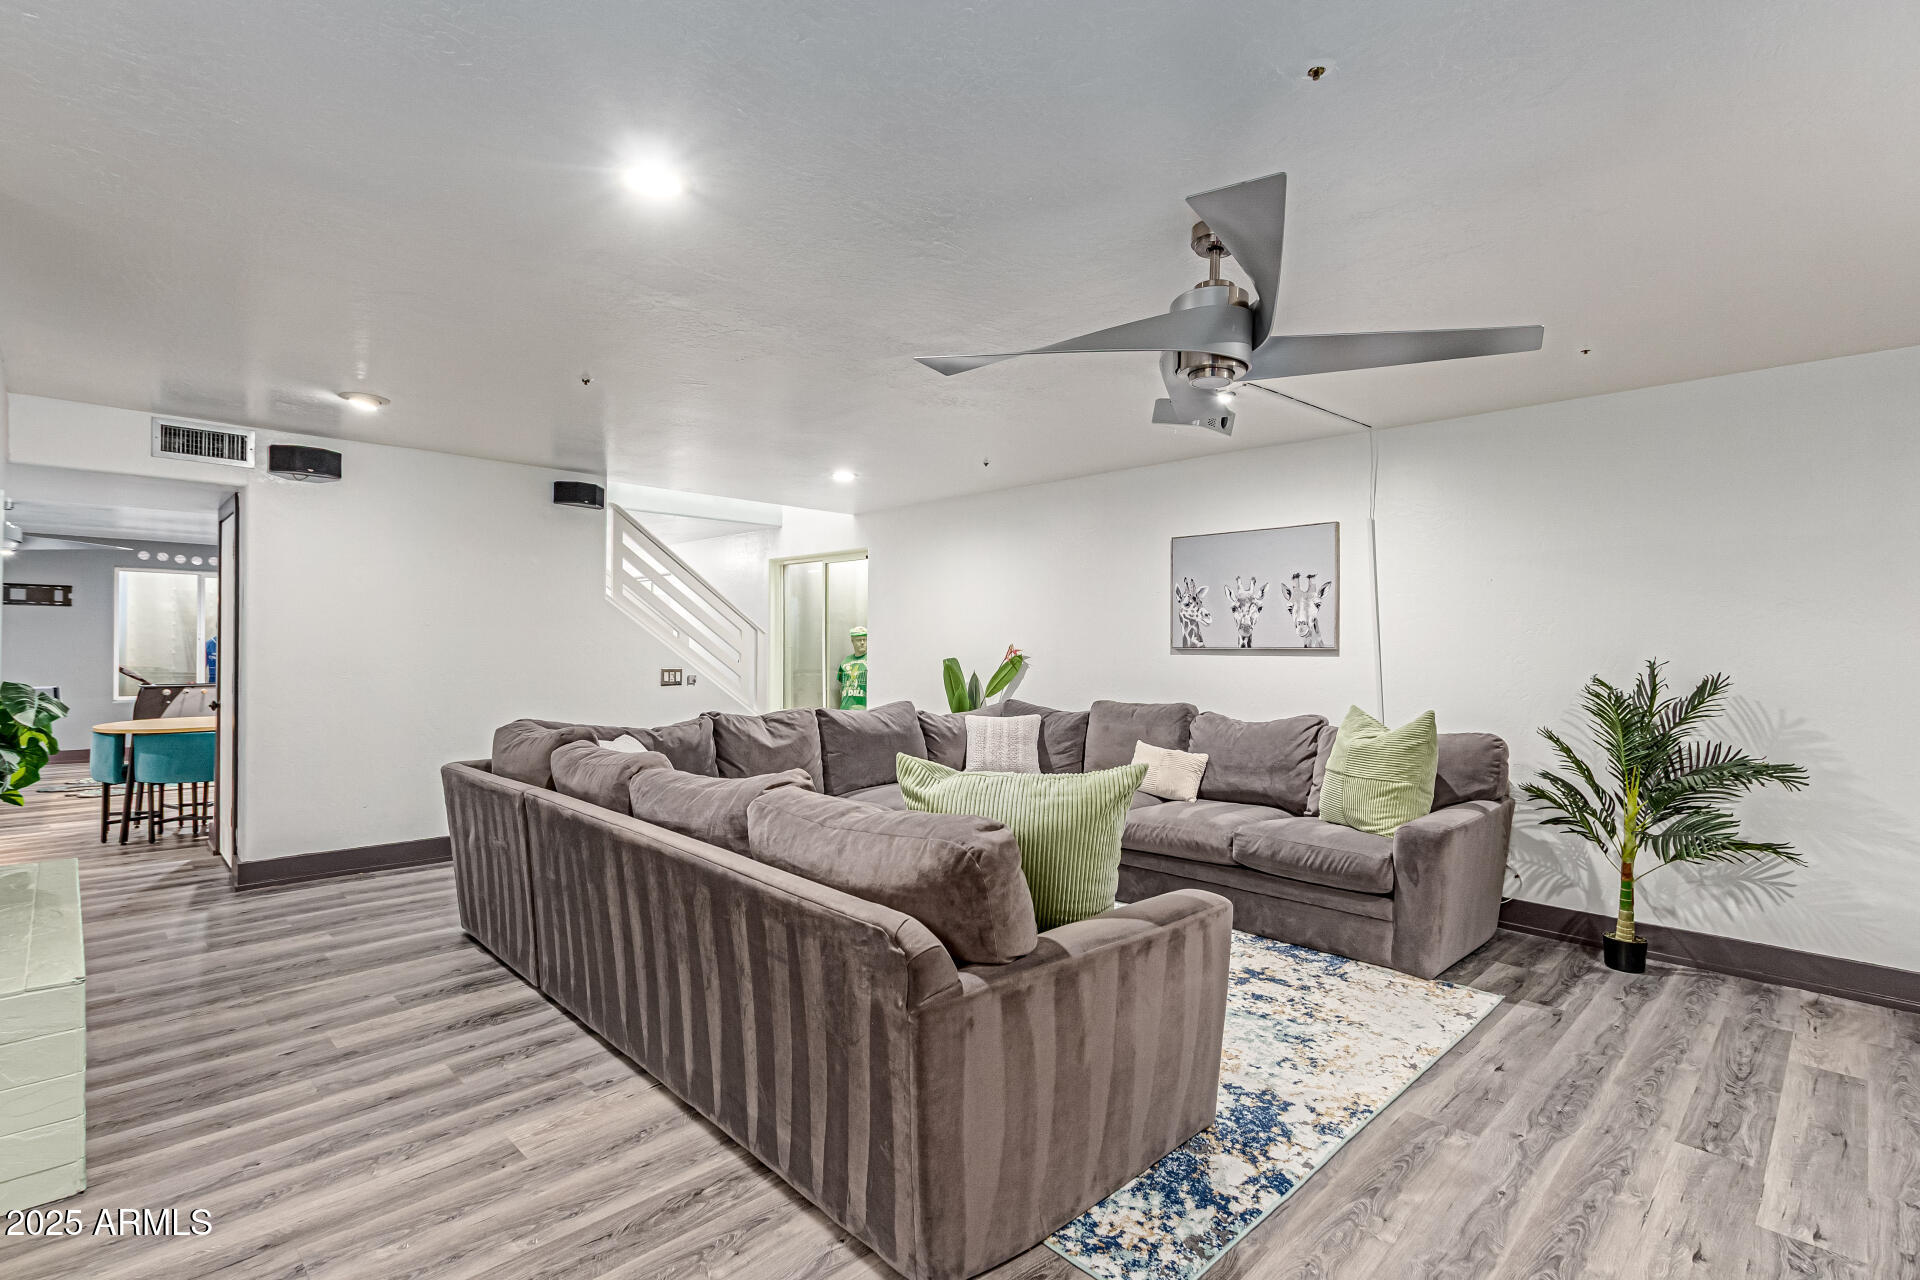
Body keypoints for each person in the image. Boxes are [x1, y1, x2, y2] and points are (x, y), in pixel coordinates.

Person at [835, 626, 868, 710]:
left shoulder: (872, 660)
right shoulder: (845, 662)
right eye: (858, 640)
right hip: (845, 710)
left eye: (865, 639)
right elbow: (840, 687)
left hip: (864, 710)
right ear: (852, 641)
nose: (862, 642)